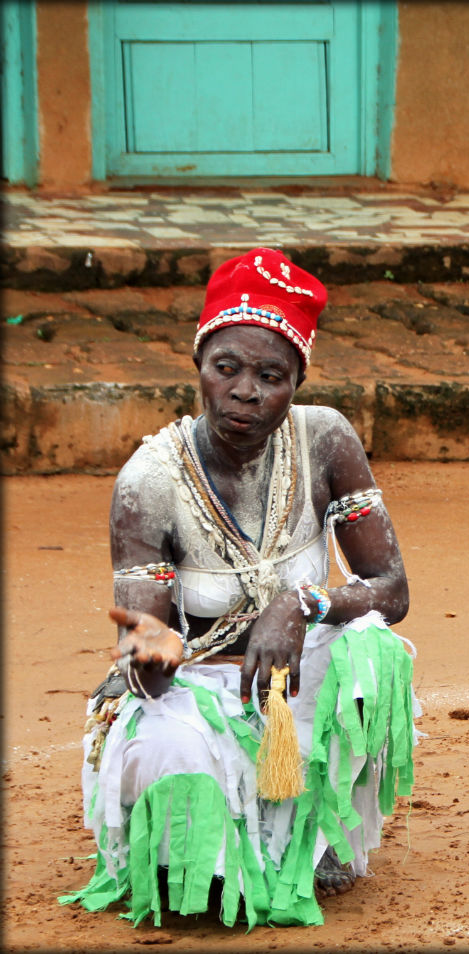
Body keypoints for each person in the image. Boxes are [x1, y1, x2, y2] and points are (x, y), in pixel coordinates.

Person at [60, 248, 419, 928]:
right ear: (200, 369)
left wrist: (302, 602)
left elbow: (390, 587)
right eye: (226, 368)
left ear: (295, 383)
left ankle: (319, 836)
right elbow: (144, 654)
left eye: (270, 375)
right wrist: (152, 656)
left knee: (372, 652)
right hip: (195, 692)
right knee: (193, 844)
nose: (246, 391)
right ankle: (202, 846)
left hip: (290, 686)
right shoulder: (149, 481)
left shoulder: (327, 441)